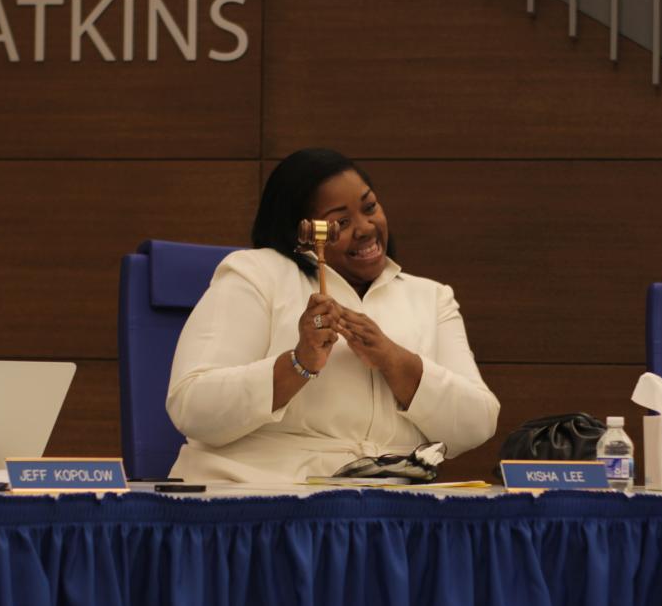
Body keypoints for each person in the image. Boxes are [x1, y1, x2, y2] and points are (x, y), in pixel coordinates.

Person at [166, 148, 500, 483]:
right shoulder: (255, 274)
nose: (365, 228)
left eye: (370, 208)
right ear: (304, 231)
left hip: (386, 506)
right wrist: (298, 363)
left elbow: (477, 423)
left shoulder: (431, 297)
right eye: (341, 222)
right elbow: (192, 406)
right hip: (263, 493)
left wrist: (394, 360)